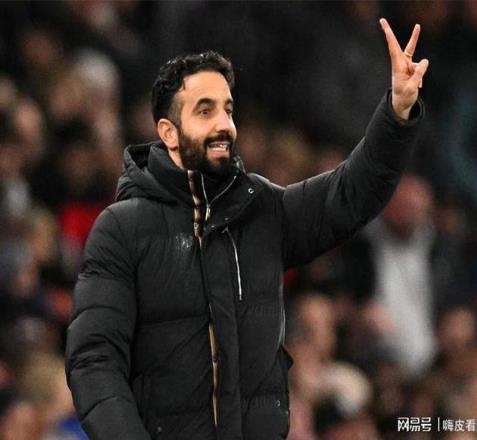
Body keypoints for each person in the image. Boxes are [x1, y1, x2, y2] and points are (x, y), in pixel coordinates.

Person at [65, 18, 429, 440]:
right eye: (205, 110)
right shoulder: (123, 228)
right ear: (169, 132)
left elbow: (350, 193)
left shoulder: (262, 208)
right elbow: (94, 360)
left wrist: (396, 114)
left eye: (228, 109)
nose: (224, 123)